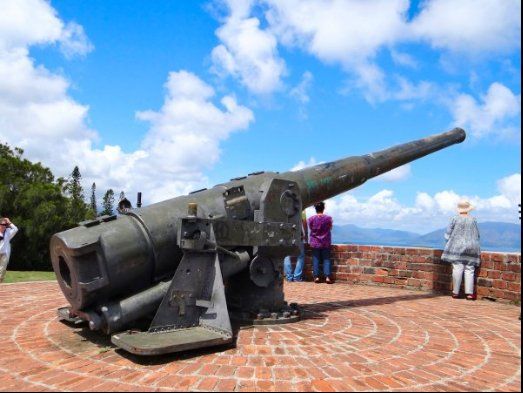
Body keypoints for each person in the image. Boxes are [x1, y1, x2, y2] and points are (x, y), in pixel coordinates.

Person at [441, 200, 481, 300]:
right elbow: (477, 234)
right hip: (472, 246)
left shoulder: (455, 218)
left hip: (457, 246)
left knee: (457, 268)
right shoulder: (473, 219)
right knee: (470, 269)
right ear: (468, 209)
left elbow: (447, 234)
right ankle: (469, 294)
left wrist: (448, 242)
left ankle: (455, 292)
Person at [308, 201, 333, 284]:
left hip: (315, 242)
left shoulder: (311, 219)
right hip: (326, 241)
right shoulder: (328, 218)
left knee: (316, 259)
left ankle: (316, 277)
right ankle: (327, 277)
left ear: (315, 209)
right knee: (326, 259)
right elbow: (330, 228)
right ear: (323, 208)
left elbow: (311, 228)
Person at [284, 211, 308, 282]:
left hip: (286, 234)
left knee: (286, 255)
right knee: (301, 256)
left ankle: (289, 277)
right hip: (298, 234)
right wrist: (306, 234)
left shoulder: (283, 206)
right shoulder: (301, 207)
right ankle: (297, 277)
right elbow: (304, 222)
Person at [0, 217, 19, 283]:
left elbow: (15, 229)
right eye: (2, 224)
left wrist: (9, 222)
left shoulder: (8, 232)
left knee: (2, 270)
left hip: (5, 253)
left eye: (5, 225)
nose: (3, 226)